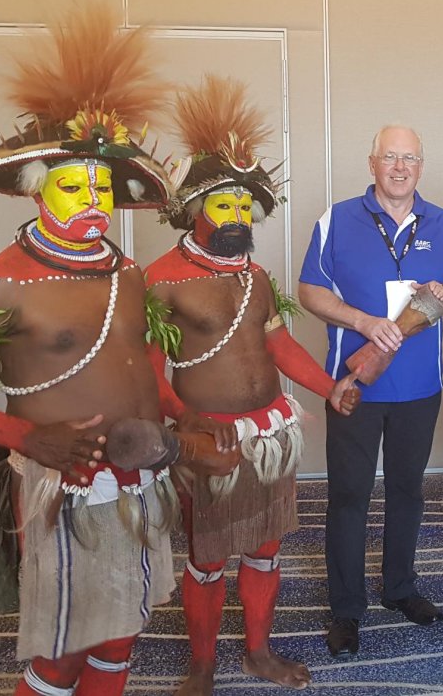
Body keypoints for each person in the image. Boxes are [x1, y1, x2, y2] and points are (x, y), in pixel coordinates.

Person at [0, 7, 234, 695]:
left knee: (121, 634)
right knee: (63, 655)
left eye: (102, 187)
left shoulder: (127, 274)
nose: (92, 200)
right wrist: (24, 435)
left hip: (143, 476)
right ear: (37, 187)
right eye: (73, 186)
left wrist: (182, 417)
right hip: (63, 490)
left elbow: (134, 367)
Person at [145, 76, 361, 694]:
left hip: (269, 433)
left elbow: (278, 344)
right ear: (194, 209)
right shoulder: (160, 279)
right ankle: (204, 661)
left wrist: (329, 386)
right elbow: (147, 369)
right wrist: (182, 423)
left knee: (265, 549)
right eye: (225, 204)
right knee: (208, 557)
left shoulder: (259, 276)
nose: (238, 215)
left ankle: (260, 650)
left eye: (246, 206)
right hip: (207, 439)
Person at [298, 125, 443, 657]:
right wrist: (364, 321)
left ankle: (400, 589)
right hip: (356, 387)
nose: (399, 167)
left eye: (409, 158)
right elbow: (309, 290)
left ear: (421, 165)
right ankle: (347, 608)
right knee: (348, 497)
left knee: (406, 492)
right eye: (389, 157)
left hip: (420, 386)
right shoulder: (337, 219)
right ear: (372, 163)